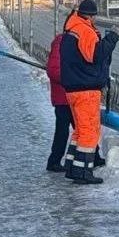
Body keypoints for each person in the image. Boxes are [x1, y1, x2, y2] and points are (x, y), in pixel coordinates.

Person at [59, 0, 118, 185]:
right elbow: (95, 55)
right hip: (86, 89)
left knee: (79, 131)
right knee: (89, 132)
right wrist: (112, 38)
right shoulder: (84, 30)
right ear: (91, 16)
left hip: (75, 88)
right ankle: (82, 171)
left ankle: (72, 166)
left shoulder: (72, 29)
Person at [45, 30, 72, 172]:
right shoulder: (61, 43)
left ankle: (94, 155)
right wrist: (72, 79)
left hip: (72, 95)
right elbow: (53, 70)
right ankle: (54, 161)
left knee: (81, 128)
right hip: (63, 97)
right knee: (63, 131)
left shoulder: (69, 42)